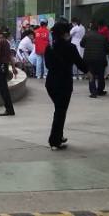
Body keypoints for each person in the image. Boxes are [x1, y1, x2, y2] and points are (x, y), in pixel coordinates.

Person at [45, 21, 90, 150]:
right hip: (64, 83)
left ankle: (58, 136)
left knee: (59, 110)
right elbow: (79, 62)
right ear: (65, 33)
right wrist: (88, 72)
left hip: (51, 83)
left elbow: (47, 65)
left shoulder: (49, 48)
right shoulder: (70, 47)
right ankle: (54, 141)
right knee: (60, 112)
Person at [80, 21, 109, 98]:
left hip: (89, 59)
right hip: (100, 59)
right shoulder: (102, 37)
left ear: (90, 28)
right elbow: (108, 49)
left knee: (91, 75)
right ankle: (100, 91)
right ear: (98, 29)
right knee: (101, 76)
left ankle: (93, 92)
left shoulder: (87, 35)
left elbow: (81, 44)